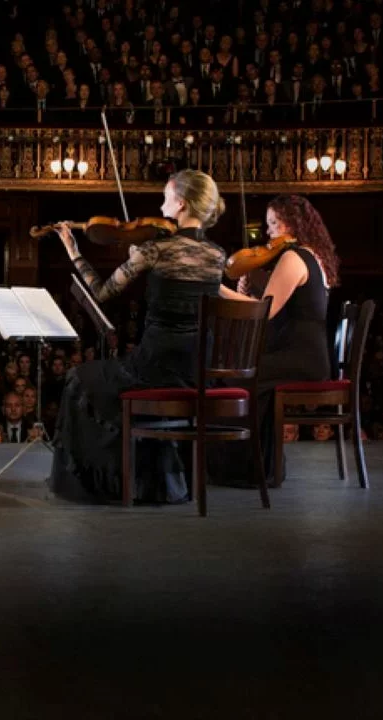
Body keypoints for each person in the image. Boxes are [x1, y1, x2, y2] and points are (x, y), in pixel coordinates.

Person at [48, 169, 227, 504]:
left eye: (166, 197)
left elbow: (100, 292)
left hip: (154, 366)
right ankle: (158, 481)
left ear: (182, 203)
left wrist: (74, 252)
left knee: (78, 378)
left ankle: (106, 484)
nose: (161, 206)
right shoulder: (218, 256)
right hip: (197, 369)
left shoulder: (155, 249)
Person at [213, 194, 339, 485]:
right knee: (244, 372)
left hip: (300, 358)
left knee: (235, 377)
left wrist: (215, 288)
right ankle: (263, 466)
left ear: (291, 225)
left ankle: (246, 469)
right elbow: (272, 307)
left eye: (273, 223)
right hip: (309, 357)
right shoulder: (313, 256)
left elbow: (263, 313)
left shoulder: (294, 258)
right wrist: (247, 295)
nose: (267, 232)